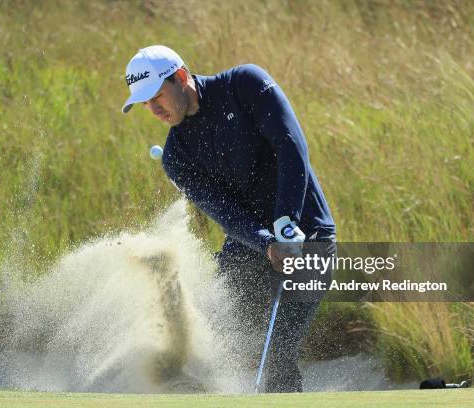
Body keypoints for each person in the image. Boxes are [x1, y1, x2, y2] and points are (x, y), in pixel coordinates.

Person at [121, 45, 336, 393]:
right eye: (145, 103)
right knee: (223, 343)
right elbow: (226, 214)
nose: (154, 109)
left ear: (180, 77)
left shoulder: (245, 84)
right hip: (249, 244)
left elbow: (291, 147)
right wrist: (269, 243)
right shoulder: (176, 158)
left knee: (276, 354)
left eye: (157, 96)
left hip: (309, 233)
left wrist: (285, 222)